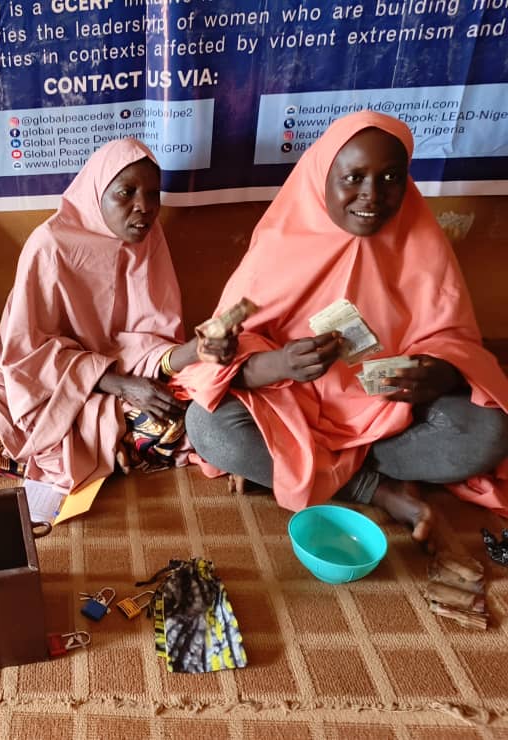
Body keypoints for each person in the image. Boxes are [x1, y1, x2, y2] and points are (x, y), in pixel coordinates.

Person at [177, 111, 508, 545]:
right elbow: (222, 357)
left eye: (391, 178)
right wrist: (280, 364)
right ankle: (376, 489)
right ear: (323, 176)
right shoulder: (280, 243)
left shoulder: (422, 241)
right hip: (291, 411)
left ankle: (309, 469)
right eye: (353, 178)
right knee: (208, 426)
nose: (372, 194)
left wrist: (438, 373)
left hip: (389, 414)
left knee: (488, 432)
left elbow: (453, 338)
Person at [0, 138, 236, 495]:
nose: (144, 207)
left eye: (153, 195)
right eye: (126, 193)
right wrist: (116, 385)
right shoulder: (50, 245)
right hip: (40, 386)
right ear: (97, 193)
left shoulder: (149, 245)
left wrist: (196, 350)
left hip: (122, 386)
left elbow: (152, 345)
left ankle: (90, 448)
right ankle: (98, 450)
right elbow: (25, 353)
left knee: (177, 422)